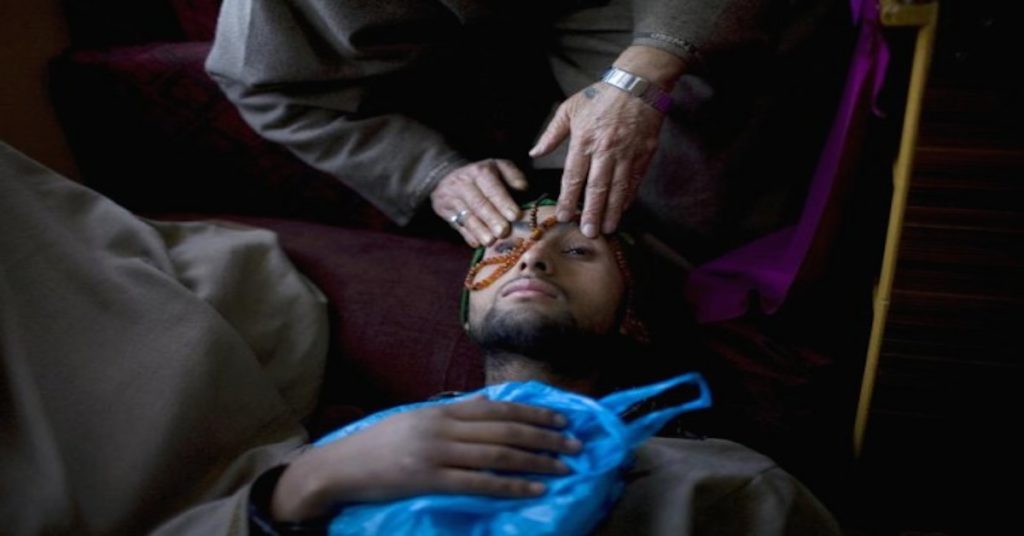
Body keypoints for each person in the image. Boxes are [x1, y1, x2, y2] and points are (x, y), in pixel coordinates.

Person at [0, 145, 839, 535]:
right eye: (502, 247)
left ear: (637, 318)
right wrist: (294, 495)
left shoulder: (728, 487)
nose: (533, 254)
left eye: (577, 251)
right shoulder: (345, 449)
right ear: (466, 312)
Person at [206, 0, 853, 262]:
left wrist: (647, 68)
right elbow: (262, 84)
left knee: (686, 160)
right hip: (424, 55)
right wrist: (428, 172)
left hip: (620, 8)